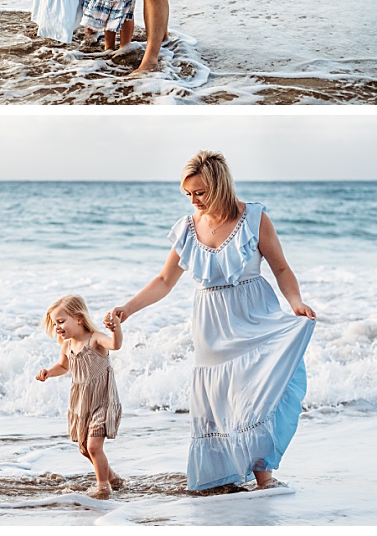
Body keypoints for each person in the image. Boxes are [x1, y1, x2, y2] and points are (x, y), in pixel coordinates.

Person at [107, 151, 315, 491]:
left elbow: (280, 267)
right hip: (211, 326)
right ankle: (226, 476)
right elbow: (163, 281)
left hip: (254, 317)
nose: (194, 200)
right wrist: (127, 309)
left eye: (200, 192)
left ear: (219, 185)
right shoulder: (188, 229)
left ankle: (265, 480)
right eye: (188, 194)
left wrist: (295, 302)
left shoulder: (254, 219)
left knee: (254, 396)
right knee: (219, 401)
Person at [36, 295, 125, 499]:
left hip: (102, 400)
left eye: (60, 321)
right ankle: (113, 478)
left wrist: (116, 329)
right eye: (54, 323)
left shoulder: (95, 338)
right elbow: (63, 366)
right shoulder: (67, 346)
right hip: (82, 404)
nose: (57, 327)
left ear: (78, 318)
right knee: (85, 449)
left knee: (94, 447)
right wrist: (49, 372)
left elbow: (115, 344)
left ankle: (103, 486)